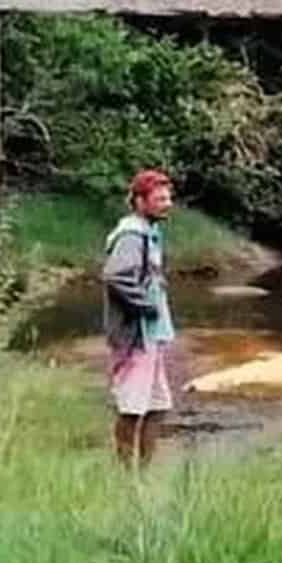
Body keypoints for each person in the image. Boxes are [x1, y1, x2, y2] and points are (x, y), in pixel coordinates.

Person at [102, 169, 177, 468]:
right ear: (139, 201)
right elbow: (115, 276)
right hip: (135, 336)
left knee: (158, 405)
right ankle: (125, 476)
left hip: (152, 336)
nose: (167, 203)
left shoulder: (149, 231)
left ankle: (143, 472)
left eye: (168, 197)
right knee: (132, 407)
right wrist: (146, 306)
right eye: (159, 198)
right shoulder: (131, 235)